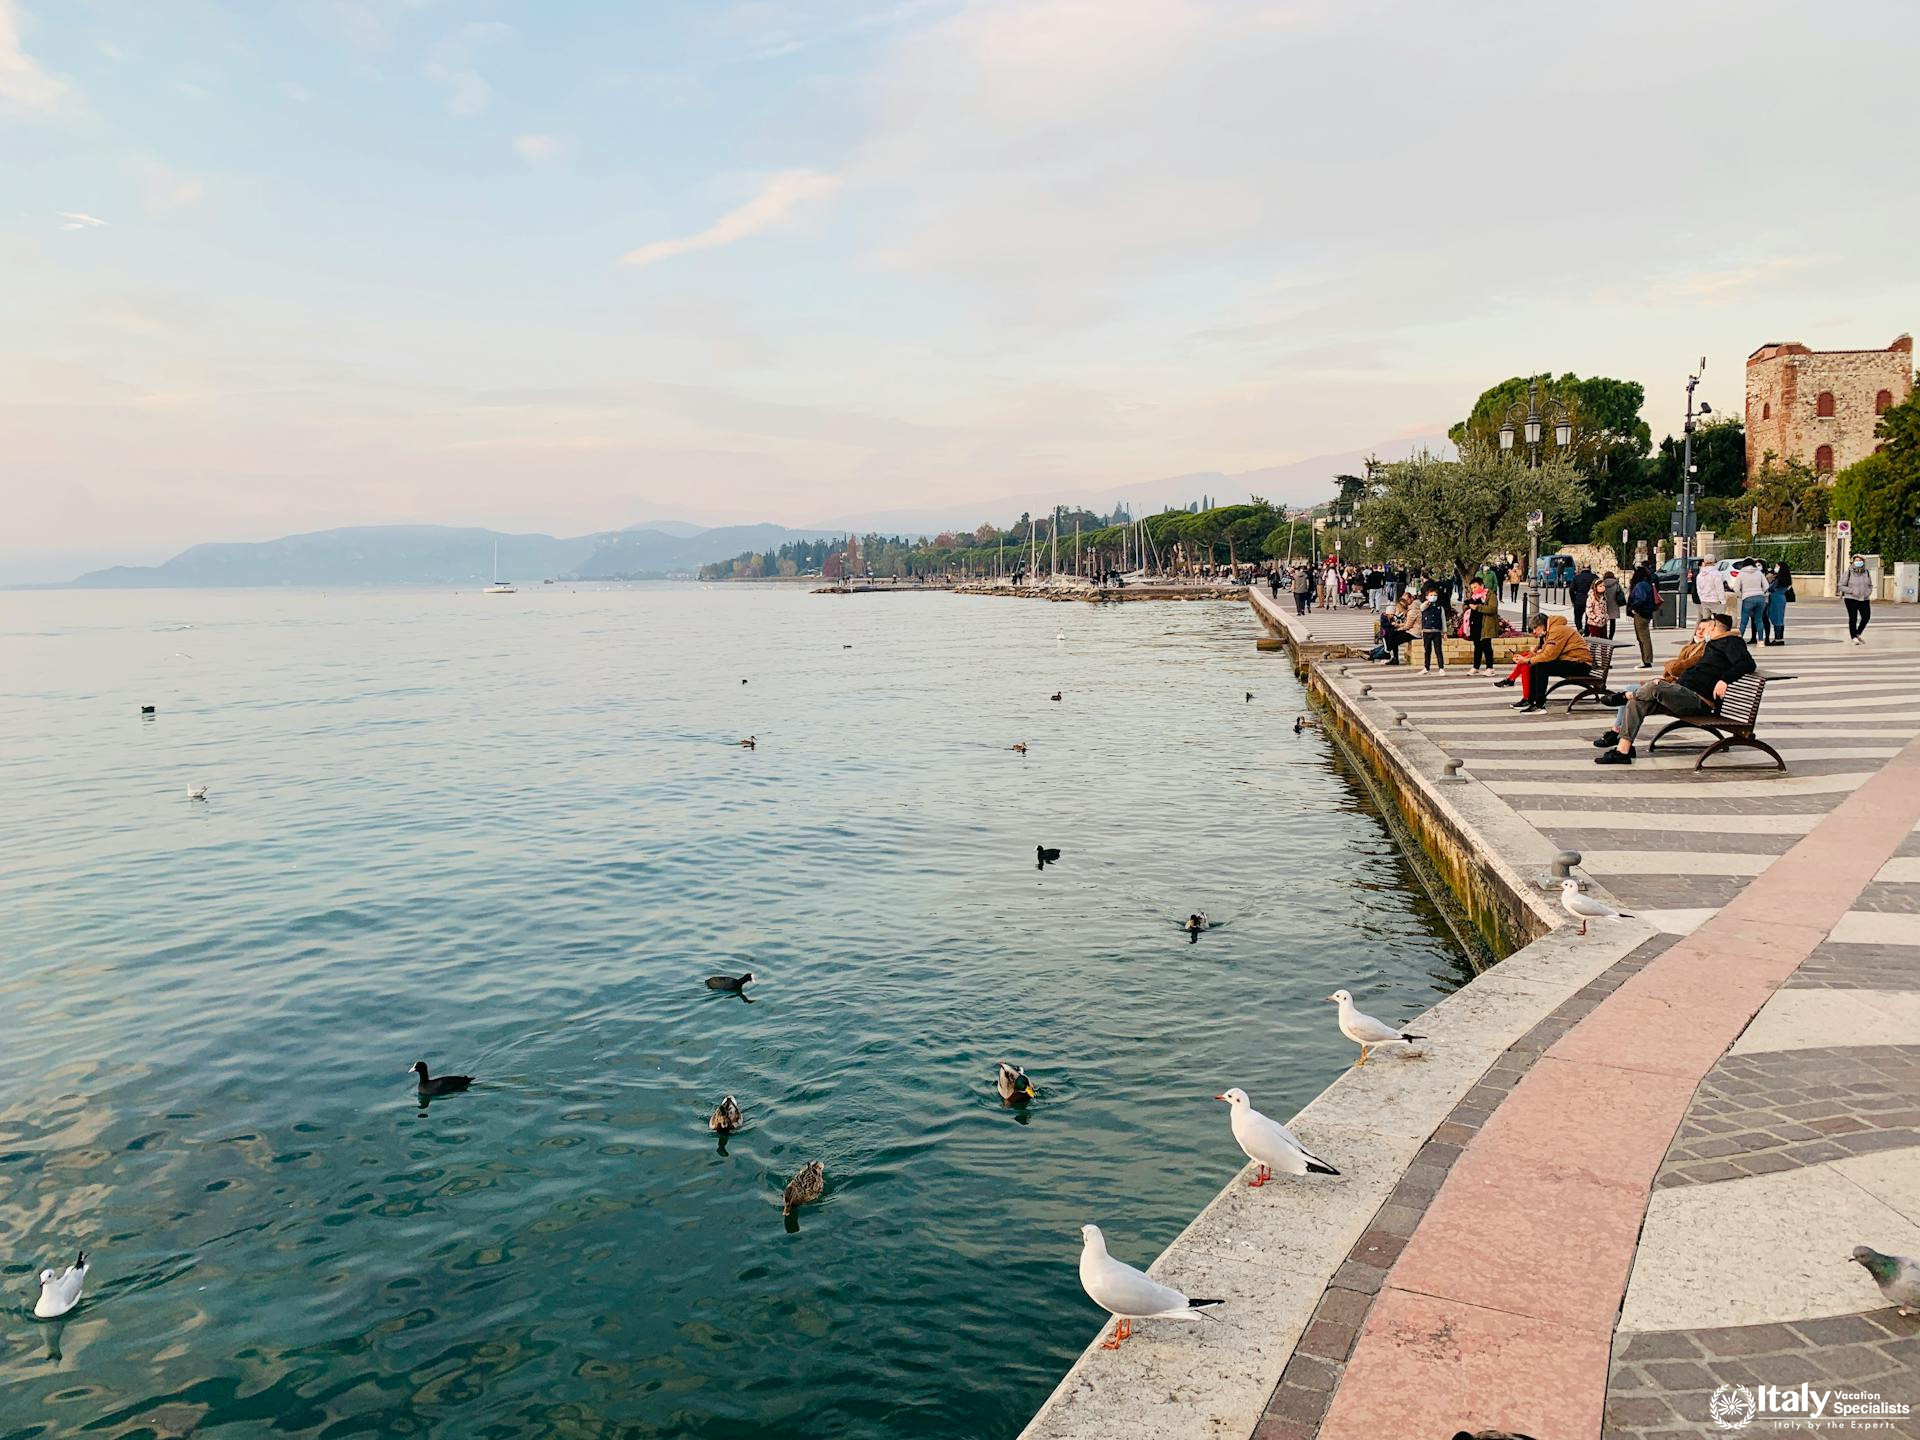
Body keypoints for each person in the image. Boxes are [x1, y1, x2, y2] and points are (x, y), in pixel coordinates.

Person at [1595, 612, 1754, 764]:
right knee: (1637, 702)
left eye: (1706, 628)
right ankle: (1623, 751)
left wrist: (1724, 680)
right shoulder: (1714, 644)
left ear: (1713, 627)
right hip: (1683, 694)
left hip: (1699, 700)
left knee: (1656, 686)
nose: (1702, 631)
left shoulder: (1731, 642)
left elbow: (1748, 663)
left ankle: (1625, 696)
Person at [1591, 618, 1711, 749]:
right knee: (1634, 695)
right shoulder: (1690, 647)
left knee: (1641, 692)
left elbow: (1676, 668)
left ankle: (1623, 704)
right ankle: (1619, 737)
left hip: (1684, 695)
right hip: (1675, 689)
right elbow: (1676, 669)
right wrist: (1670, 670)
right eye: (1699, 628)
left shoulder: (1705, 650)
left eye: (1704, 629)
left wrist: (1669, 667)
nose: (1700, 632)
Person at [1513, 613, 1591, 712]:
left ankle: (1539, 705)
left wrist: (1527, 660)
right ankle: (1530, 700)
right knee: (1535, 664)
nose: (1534, 631)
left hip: (1581, 665)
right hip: (1572, 661)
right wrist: (1532, 655)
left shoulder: (1557, 631)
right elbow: (1546, 653)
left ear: (1542, 625)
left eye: (1535, 628)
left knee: (1541, 666)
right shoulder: (1551, 630)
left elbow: (1549, 656)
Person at [1731, 558, 1769, 645]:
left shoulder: (1741, 574)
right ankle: (1760, 641)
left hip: (1747, 598)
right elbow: (1766, 586)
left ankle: (1739, 640)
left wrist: (1741, 595)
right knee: (1759, 620)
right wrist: (1761, 592)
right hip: (1760, 598)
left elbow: (1736, 588)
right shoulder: (1759, 573)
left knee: (1744, 621)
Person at [1839, 557, 1874, 645]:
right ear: (1853, 562)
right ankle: (1853, 637)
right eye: (1857, 560)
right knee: (1853, 618)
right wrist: (1852, 591)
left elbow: (1870, 585)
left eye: (1860, 560)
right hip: (1851, 599)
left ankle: (1857, 633)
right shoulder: (1849, 572)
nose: (1859, 562)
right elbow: (1841, 586)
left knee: (1866, 616)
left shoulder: (1866, 572)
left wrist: (1868, 593)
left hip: (1864, 598)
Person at [1468, 580, 1500, 674]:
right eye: (1472, 588)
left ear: (1481, 585)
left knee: (1486, 646)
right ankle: (1476, 666)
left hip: (1486, 624)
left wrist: (1478, 607)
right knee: (1477, 646)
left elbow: (1492, 609)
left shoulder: (1490, 595)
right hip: (1476, 625)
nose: (1474, 590)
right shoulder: (1473, 597)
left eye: (1475, 587)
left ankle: (1490, 667)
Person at [1764, 561, 1794, 646]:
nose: (1775, 568)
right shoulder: (1786, 579)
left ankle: (1778, 639)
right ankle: (1780, 638)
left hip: (1775, 598)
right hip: (1782, 598)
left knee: (1776, 618)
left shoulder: (1778, 579)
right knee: (1780, 618)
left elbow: (1770, 588)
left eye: (1777, 566)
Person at [1418, 586, 1447, 673]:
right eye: (1431, 595)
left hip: (1437, 631)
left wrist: (1444, 632)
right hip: (1427, 631)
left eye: (1435, 595)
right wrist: (1427, 602)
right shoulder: (1425, 606)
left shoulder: (1439, 607)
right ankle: (1426, 667)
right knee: (1427, 650)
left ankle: (1441, 668)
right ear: (1427, 596)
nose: (1433, 597)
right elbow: (1421, 608)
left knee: (1438, 650)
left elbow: (1443, 619)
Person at [1601, 570, 1625, 639]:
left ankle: (1604, 636)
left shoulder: (1602, 584)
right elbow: (1621, 593)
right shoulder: (1616, 584)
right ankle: (1611, 636)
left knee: (1603, 621)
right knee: (1612, 622)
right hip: (1614, 604)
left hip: (1604, 604)